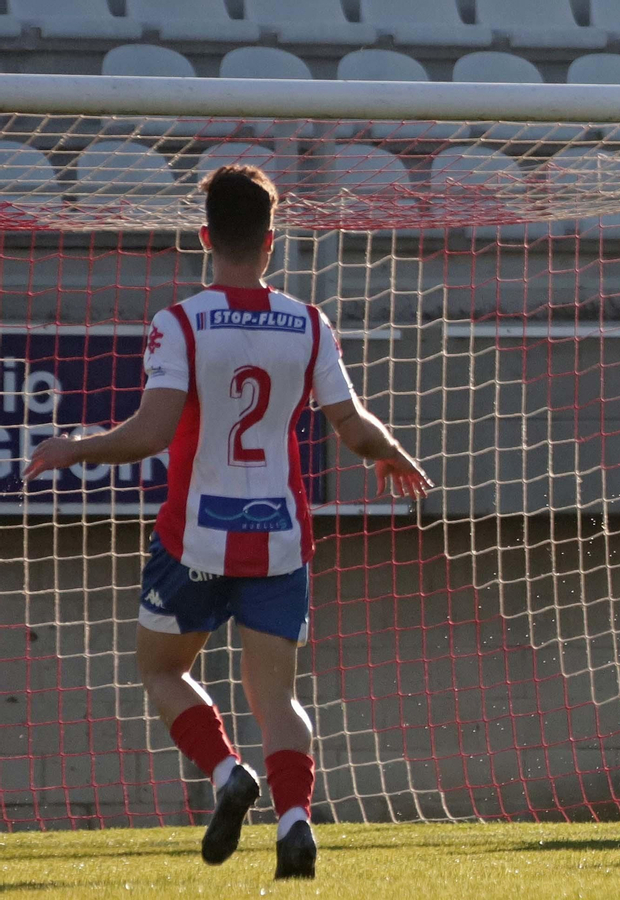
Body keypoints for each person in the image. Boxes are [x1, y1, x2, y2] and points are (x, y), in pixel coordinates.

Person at [24, 165, 433, 877]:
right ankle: (296, 822)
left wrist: (71, 449)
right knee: (278, 695)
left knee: (161, 668)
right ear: (271, 242)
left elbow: (150, 434)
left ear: (206, 235)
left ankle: (225, 773)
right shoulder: (308, 322)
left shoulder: (179, 322)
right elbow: (353, 426)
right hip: (278, 535)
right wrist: (394, 455)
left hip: (196, 538)